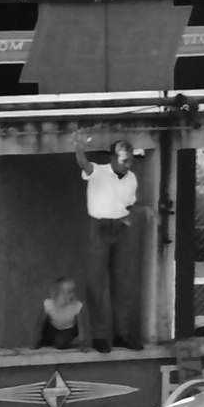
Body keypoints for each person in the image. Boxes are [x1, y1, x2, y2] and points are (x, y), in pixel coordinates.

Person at [74, 131, 144, 353]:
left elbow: (130, 203)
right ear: (113, 158)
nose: (128, 164)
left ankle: (122, 333)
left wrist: (129, 219)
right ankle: (99, 335)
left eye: (131, 160)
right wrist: (79, 147)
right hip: (99, 226)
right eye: (125, 160)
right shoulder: (99, 172)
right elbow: (83, 164)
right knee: (96, 282)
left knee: (122, 281)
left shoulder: (132, 178)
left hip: (120, 227)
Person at [37, 277, 86, 348]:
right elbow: (39, 325)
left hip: (68, 329)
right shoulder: (48, 304)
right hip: (51, 328)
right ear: (57, 293)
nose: (72, 295)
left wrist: (82, 343)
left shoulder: (77, 306)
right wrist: (35, 341)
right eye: (69, 292)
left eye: (73, 291)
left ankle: (62, 341)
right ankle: (46, 340)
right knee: (45, 338)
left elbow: (81, 327)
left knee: (60, 344)